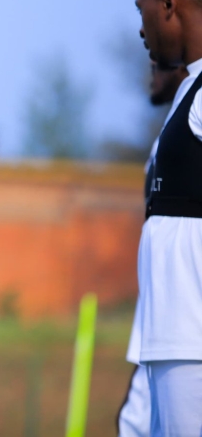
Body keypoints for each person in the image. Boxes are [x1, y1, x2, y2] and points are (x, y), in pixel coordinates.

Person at [131, 0, 202, 436]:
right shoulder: (189, 90)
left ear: (168, 3)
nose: (140, 28)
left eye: (143, 9)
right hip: (169, 339)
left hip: (193, 341)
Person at [118, 60, 188, 437]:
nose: (150, 68)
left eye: (159, 62)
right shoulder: (169, 135)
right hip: (155, 330)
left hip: (183, 334)